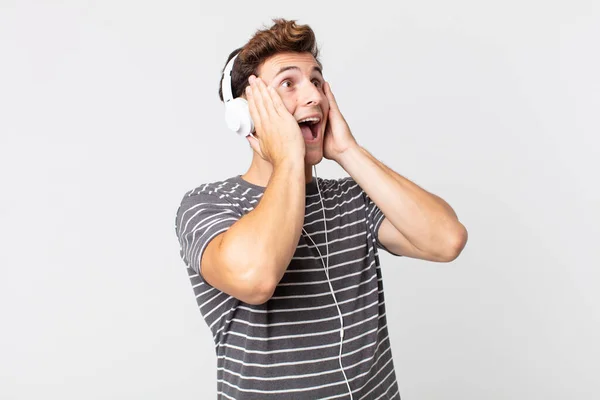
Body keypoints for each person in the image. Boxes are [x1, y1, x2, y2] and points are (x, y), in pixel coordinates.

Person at [175, 18, 468, 400]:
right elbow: (256, 278)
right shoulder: (208, 204)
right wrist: (289, 159)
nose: (313, 96)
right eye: (288, 83)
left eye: (316, 81)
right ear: (245, 116)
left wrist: (349, 152)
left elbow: (447, 240)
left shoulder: (353, 199)